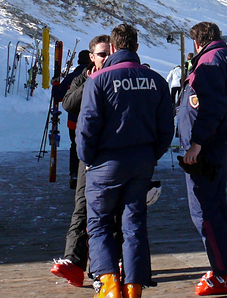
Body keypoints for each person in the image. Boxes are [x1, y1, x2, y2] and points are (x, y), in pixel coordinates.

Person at [77, 24, 175, 298]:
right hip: (142, 161)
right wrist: (150, 154)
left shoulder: (99, 80)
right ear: (137, 47)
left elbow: (87, 126)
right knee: (134, 223)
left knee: (99, 223)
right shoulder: (156, 80)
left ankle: (108, 284)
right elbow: (167, 127)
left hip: (105, 163)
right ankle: (133, 286)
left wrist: (87, 159)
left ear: (114, 48)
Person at [178, 21, 227, 296]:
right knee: (217, 205)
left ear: (197, 42)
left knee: (204, 211)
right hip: (225, 140)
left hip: (208, 145)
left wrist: (196, 143)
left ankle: (225, 273)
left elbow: (212, 106)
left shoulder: (209, 61)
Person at [51, 36, 111, 287]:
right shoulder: (83, 76)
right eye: (101, 54)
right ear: (91, 56)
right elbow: (66, 101)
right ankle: (74, 262)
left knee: (112, 213)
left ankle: (109, 266)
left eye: (109, 53)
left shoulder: (119, 76)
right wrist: (91, 82)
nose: (105, 58)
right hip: (87, 150)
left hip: (111, 153)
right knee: (82, 206)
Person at [52, 49, 94, 189]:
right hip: (92, 121)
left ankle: (75, 174)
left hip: (74, 122)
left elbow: (58, 96)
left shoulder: (71, 77)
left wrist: (56, 84)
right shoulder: (94, 75)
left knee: (75, 146)